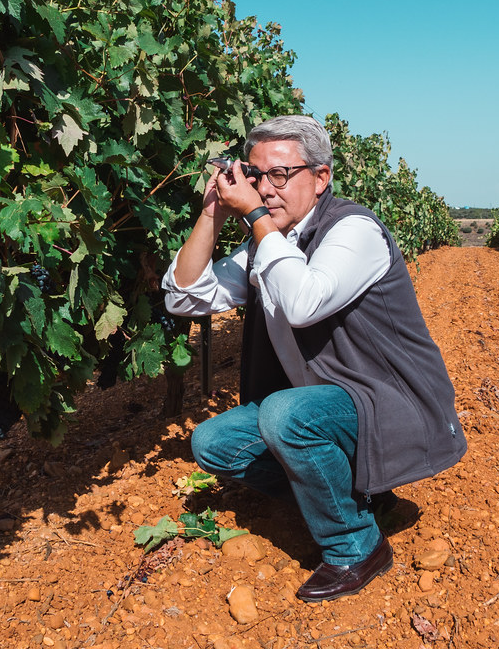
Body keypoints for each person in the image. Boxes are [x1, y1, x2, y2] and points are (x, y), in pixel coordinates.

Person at [162, 115, 466, 601]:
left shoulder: (354, 230)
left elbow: (303, 303)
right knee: (214, 442)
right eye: (255, 176)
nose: (264, 190)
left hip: (387, 402)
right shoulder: (268, 243)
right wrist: (212, 216)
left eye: (280, 175)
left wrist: (257, 221)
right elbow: (184, 298)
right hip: (332, 404)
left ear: (321, 178)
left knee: (287, 414)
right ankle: (353, 496)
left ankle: (356, 546)